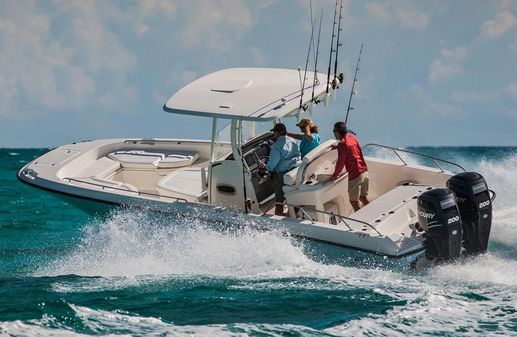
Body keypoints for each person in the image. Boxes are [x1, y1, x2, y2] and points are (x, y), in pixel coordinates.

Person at [259, 123, 301, 216]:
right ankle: (293, 212)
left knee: (279, 195)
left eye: (275, 132)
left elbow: (272, 163)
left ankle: (278, 215)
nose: (274, 134)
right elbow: (298, 154)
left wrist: (265, 169)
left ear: (280, 132)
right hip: (296, 170)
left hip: (284, 173)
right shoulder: (292, 140)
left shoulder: (276, 146)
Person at [330, 121, 369, 212]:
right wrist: (338, 146)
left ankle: (362, 221)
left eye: (334, 131)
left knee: (354, 202)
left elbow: (340, 163)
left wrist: (334, 175)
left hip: (355, 176)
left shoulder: (342, 144)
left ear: (337, 132)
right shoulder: (353, 138)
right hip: (364, 171)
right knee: (363, 198)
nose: (334, 134)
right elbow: (349, 147)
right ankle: (372, 214)